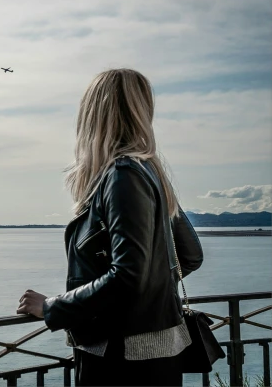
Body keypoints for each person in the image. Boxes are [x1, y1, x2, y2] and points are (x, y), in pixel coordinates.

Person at [16, 68, 204, 386]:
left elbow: (129, 276)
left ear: (92, 114)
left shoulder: (123, 176)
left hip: (120, 356)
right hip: (156, 350)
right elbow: (190, 256)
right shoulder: (149, 173)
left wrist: (52, 307)